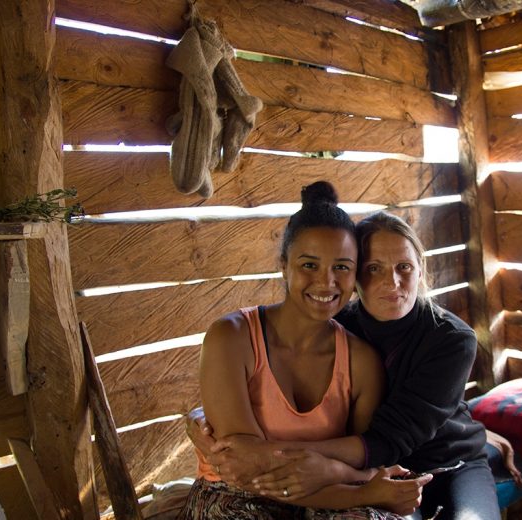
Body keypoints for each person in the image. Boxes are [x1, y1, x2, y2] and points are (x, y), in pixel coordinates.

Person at [190, 210, 513, 519]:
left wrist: (261, 453)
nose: (392, 282)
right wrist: (204, 420)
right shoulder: (335, 327)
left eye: (404, 267)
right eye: (374, 268)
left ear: (420, 269)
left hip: (451, 464)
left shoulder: (451, 338)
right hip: (383, 472)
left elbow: (391, 438)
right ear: (356, 276)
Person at [177, 184, 432, 520]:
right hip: (234, 500)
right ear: (284, 265)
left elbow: (360, 462)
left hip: (323, 492)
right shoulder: (232, 338)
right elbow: (245, 471)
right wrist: (365, 489)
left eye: (341, 267)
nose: (326, 282)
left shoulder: (361, 361)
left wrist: (360, 483)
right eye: (309, 265)